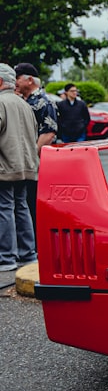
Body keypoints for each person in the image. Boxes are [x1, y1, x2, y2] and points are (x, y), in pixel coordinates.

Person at [0, 63, 39, 271]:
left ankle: (7, 257)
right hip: (26, 166)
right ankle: (28, 254)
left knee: (5, 208)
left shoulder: (1, 103)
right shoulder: (24, 104)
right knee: (21, 207)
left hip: (5, 166)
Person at [12, 62, 56, 233]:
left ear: (29, 80)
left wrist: (31, 157)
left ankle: (37, 245)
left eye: (17, 78)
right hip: (29, 162)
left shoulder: (44, 101)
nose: (15, 82)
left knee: (32, 203)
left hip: (38, 163)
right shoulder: (26, 100)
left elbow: (49, 133)